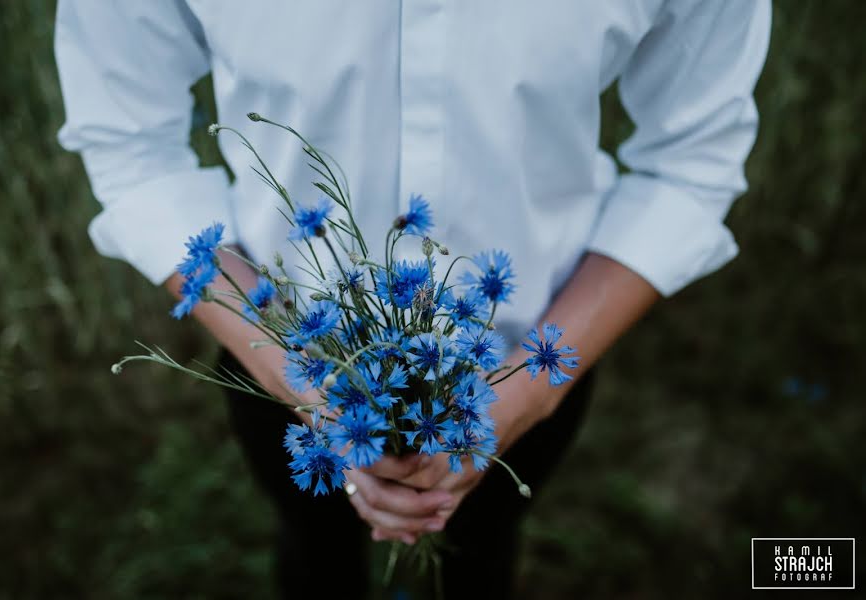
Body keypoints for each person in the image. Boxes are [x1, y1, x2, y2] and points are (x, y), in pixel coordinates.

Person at [55, 1, 771, 597]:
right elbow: (130, 145)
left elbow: (691, 160)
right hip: (274, 349)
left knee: (480, 555)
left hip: (527, 355)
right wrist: (288, 366)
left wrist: (523, 396)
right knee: (312, 549)